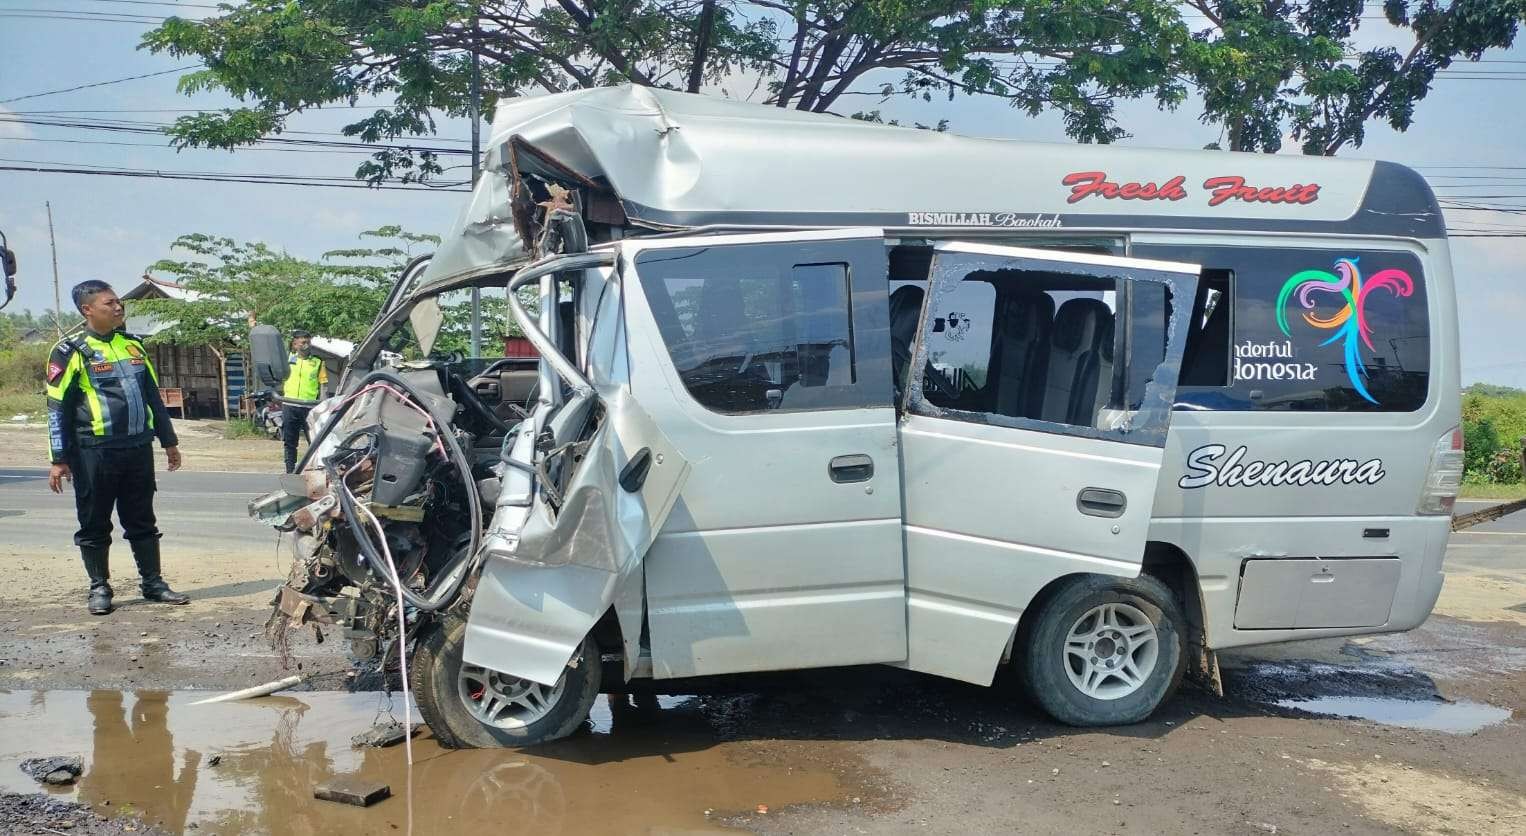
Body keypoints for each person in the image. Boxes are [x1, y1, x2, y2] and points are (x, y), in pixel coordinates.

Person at [46, 280, 189, 615]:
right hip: (93, 452)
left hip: (137, 449)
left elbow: (152, 395)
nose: (118, 308)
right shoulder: (70, 351)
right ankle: (99, 588)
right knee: (95, 523)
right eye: (109, 303)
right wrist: (58, 458)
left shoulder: (133, 345)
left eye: (118, 303)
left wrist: (169, 442)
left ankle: (152, 583)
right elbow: (56, 408)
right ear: (88, 310)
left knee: (142, 520)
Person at [281, 330, 327, 474]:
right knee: (290, 441)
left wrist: (323, 405)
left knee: (314, 441)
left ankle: (316, 470)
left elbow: (323, 384)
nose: (306, 345)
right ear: (295, 345)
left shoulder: (318, 361)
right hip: (290, 404)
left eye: (308, 342)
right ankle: (290, 471)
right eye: (303, 342)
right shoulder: (286, 360)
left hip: (309, 407)